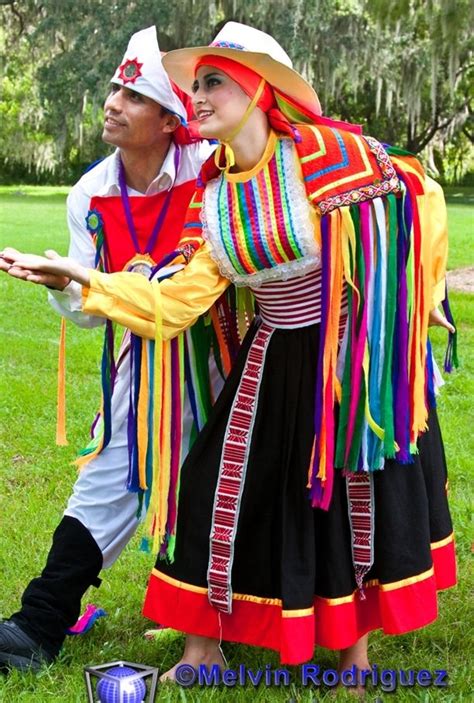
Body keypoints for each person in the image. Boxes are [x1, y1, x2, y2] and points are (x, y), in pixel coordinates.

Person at [3, 21, 457, 680]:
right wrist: (86, 284)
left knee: (343, 492)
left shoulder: (325, 156)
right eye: (196, 85)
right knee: (199, 480)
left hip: (334, 360)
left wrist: (406, 314)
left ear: (255, 89)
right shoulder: (201, 197)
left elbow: (418, 199)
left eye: (212, 82)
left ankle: (353, 660)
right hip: (244, 358)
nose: (199, 97)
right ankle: (187, 643)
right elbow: (178, 298)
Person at [0, 26, 214, 672]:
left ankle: (213, 627)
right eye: (114, 89)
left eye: (133, 94)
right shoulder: (89, 195)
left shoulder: (208, 169)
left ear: (170, 119)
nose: (113, 102)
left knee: (212, 485)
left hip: (226, 361)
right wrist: (68, 285)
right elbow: (89, 316)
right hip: (146, 366)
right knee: (108, 478)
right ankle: (39, 625)